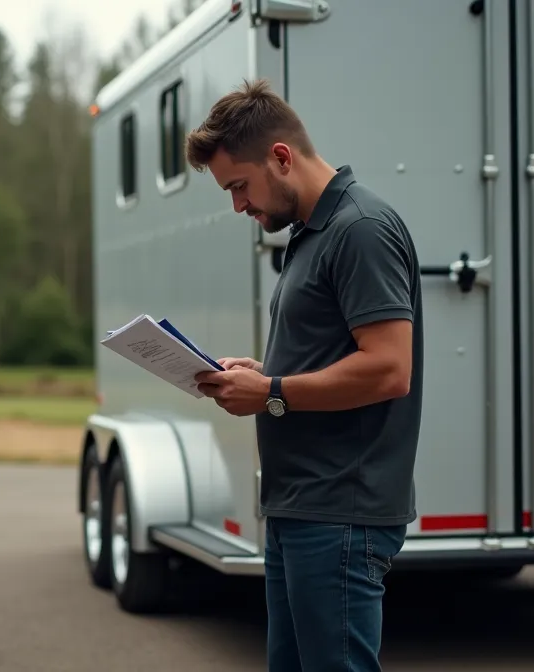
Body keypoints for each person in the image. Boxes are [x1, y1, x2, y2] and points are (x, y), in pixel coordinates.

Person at [186, 78, 424, 672]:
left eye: (239, 186)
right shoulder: (309, 236)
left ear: (282, 157)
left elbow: (390, 369)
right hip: (300, 506)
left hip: (340, 510)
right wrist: (264, 372)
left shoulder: (361, 228)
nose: (238, 205)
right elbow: (336, 357)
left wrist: (269, 392)